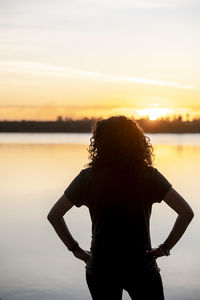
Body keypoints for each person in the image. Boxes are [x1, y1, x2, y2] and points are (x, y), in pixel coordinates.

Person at [47, 115, 194, 300]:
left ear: (100, 143)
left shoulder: (87, 178)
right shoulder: (150, 176)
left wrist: (76, 250)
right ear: (137, 142)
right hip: (141, 268)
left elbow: (54, 215)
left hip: (101, 268)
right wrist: (164, 248)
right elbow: (186, 213)